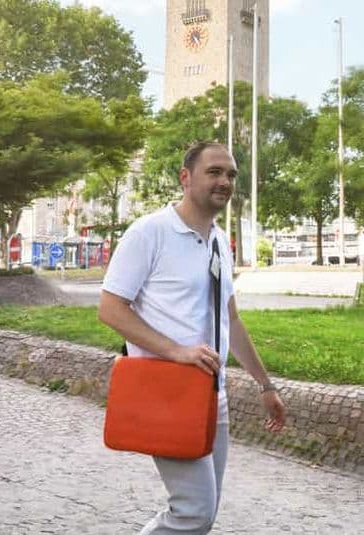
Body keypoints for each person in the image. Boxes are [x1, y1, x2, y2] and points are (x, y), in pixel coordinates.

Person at [99, 142, 286, 534]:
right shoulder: (149, 232)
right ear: (186, 177)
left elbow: (230, 319)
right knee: (194, 510)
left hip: (211, 397)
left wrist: (265, 385)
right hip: (166, 393)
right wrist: (176, 351)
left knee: (205, 510)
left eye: (231, 174)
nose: (225, 181)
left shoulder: (219, 240)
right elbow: (111, 308)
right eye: (214, 171)